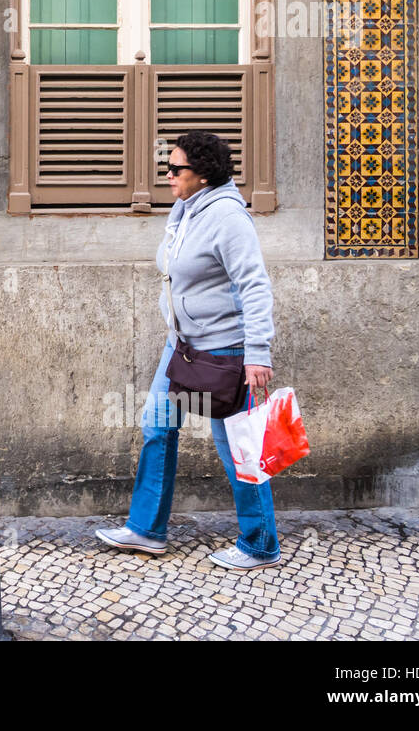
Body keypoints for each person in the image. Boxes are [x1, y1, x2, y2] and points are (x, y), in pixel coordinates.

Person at [94, 130, 281, 570]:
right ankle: (146, 530)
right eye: (169, 166)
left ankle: (260, 544)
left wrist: (257, 351)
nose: (168, 174)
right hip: (181, 346)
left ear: (204, 175)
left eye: (176, 168)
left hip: (226, 351)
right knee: (158, 426)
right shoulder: (186, 209)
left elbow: (254, 285)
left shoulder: (229, 218)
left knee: (238, 447)